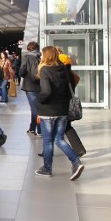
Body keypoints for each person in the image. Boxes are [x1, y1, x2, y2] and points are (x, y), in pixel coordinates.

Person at [34, 46, 84, 181]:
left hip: (48, 111)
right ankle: (76, 162)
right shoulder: (64, 69)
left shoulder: (45, 70)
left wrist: (39, 101)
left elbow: (46, 92)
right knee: (59, 139)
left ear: (46, 56)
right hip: (62, 110)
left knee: (48, 141)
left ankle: (47, 168)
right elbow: (69, 90)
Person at [19, 41, 41, 136]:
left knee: (34, 109)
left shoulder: (27, 57)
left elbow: (22, 71)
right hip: (40, 85)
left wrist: (21, 74)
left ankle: (39, 129)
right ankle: (32, 128)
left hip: (30, 85)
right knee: (37, 107)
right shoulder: (40, 56)